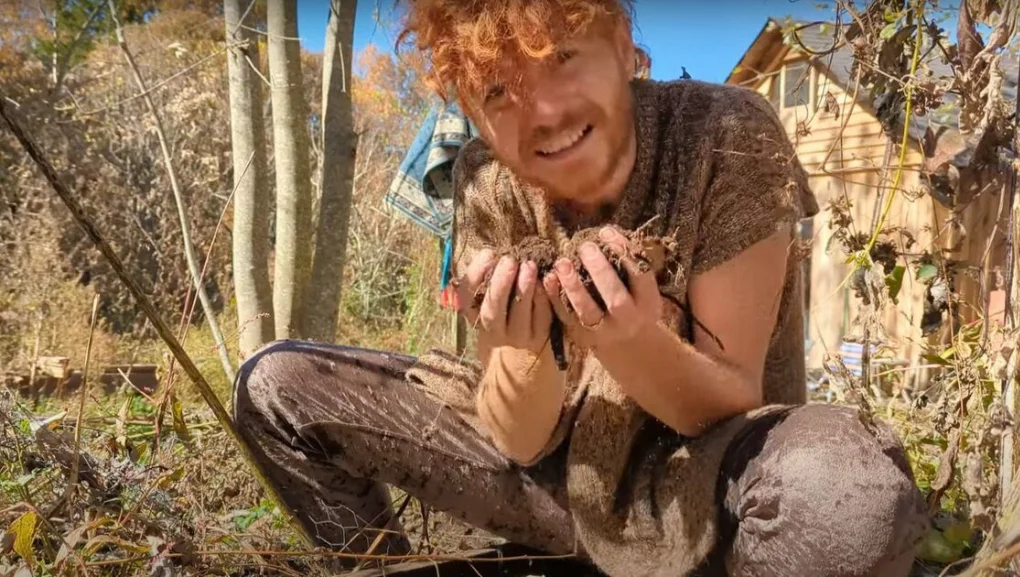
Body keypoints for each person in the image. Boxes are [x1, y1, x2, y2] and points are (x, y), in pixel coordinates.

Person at [231, 1, 930, 575]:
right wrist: (520, 350)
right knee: (276, 386)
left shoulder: (727, 132)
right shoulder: (484, 179)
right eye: (499, 92)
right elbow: (522, 439)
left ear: (623, 46)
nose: (543, 114)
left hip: (711, 484)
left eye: (559, 58)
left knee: (846, 496)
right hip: (558, 483)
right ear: (474, 115)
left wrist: (625, 339)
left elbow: (734, 394)